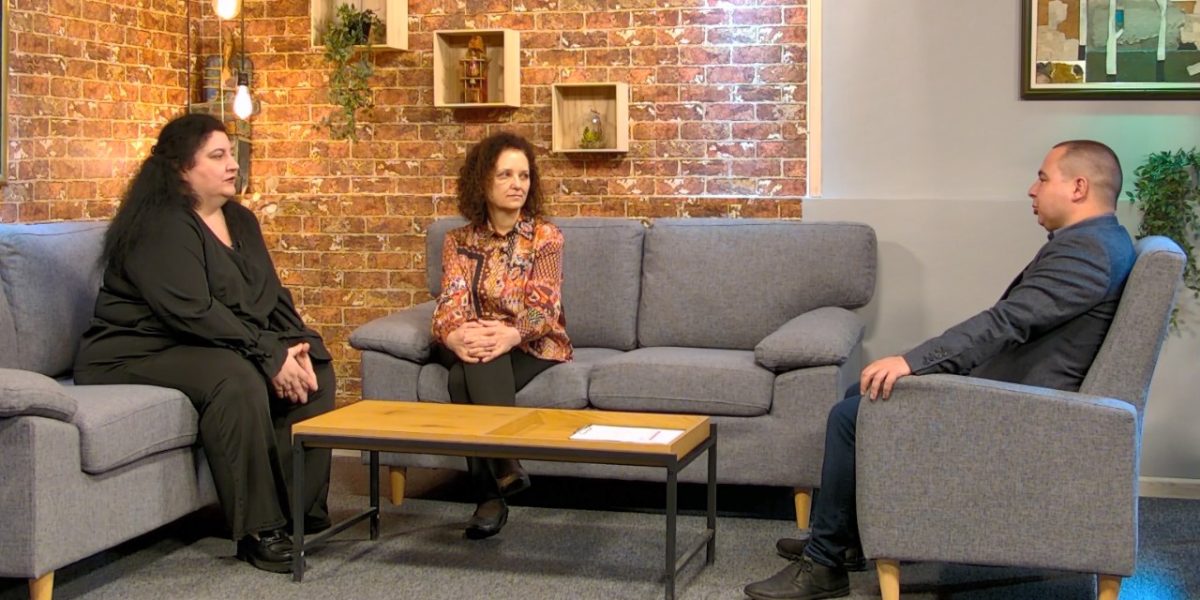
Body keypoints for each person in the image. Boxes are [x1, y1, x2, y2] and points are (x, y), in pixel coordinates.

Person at [743, 140, 1136, 600]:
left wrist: (914, 362)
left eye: (1043, 178)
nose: (1033, 189)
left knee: (854, 414)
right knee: (859, 396)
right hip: (1020, 391)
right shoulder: (1100, 243)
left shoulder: (1087, 253)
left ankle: (825, 566)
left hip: (1026, 410)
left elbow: (1004, 323)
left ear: (1079, 187)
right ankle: (844, 539)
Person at [74, 113, 335, 574]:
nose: (233, 164)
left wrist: (294, 343)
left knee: (315, 363)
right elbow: (192, 311)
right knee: (236, 379)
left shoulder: (241, 219)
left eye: (231, 154)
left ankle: (297, 508)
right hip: (137, 349)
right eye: (217, 156)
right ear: (182, 169)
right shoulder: (160, 224)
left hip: (205, 341)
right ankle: (259, 530)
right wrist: (267, 353)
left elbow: (271, 294)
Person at [431, 131, 572, 539]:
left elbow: (545, 307)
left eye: (524, 176)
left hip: (531, 343)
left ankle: (489, 496)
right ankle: (505, 464)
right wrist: (455, 337)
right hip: (473, 339)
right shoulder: (458, 241)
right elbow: (450, 302)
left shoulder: (545, 237)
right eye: (505, 175)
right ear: (482, 181)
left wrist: (509, 335)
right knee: (477, 354)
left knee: (462, 378)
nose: (517, 184)